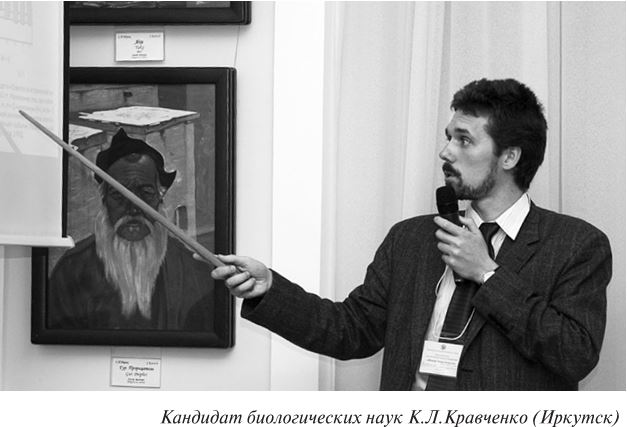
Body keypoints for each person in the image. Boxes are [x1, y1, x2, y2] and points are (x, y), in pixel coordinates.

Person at [211, 78, 612, 390]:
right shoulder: (410, 240)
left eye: (464, 140)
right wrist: (269, 288)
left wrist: (488, 274)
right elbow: (350, 331)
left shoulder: (576, 245)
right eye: (448, 137)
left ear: (509, 156)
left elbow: (575, 354)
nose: (446, 152)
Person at [49, 128, 215, 331]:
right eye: (119, 195)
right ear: (104, 200)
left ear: (160, 199)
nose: (134, 208)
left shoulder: (192, 271)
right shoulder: (72, 271)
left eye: (145, 193)